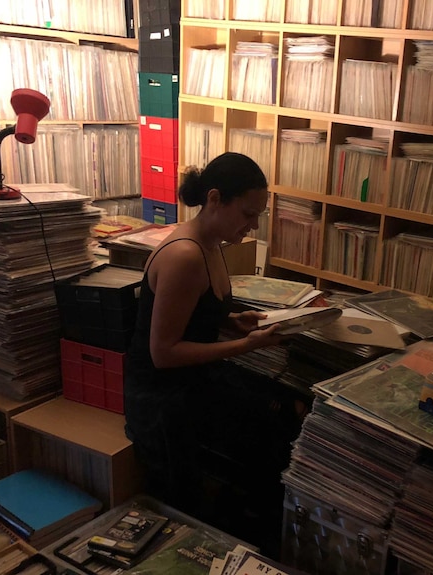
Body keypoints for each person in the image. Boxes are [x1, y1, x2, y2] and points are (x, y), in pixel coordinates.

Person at [124, 152, 304, 554]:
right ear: (215, 198)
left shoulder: (212, 241)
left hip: (195, 378)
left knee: (282, 410)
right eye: (248, 213)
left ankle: (254, 528)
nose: (254, 225)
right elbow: (163, 353)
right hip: (163, 396)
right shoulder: (185, 254)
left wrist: (233, 322)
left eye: (259, 215)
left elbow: (198, 315)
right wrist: (244, 345)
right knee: (267, 430)